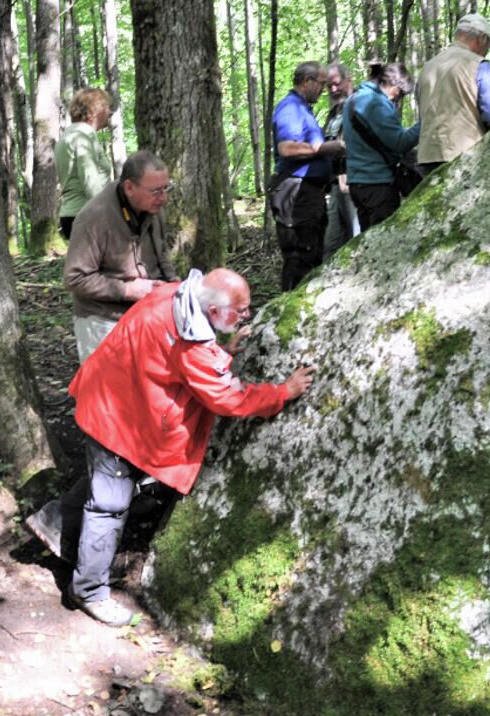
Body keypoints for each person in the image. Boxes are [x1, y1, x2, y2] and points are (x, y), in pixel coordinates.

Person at [29, 268, 317, 625]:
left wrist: (220, 352)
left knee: (108, 479)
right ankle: (88, 590)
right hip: (120, 421)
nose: (246, 317)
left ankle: (55, 523)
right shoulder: (189, 339)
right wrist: (283, 392)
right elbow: (227, 398)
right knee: (111, 503)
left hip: (108, 399)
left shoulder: (174, 295)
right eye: (240, 311)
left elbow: (178, 361)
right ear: (213, 311)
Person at [64, 150, 178, 361]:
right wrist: (127, 289)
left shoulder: (153, 207)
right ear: (129, 188)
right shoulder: (95, 217)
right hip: (101, 318)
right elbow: (75, 278)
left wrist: (172, 284)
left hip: (145, 312)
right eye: (156, 191)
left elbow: (161, 252)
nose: (164, 198)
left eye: (166, 188)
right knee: (106, 388)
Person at [271, 61, 344, 290]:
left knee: (312, 253)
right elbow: (287, 148)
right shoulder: (290, 108)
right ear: (306, 82)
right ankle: (288, 310)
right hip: (295, 194)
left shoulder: (302, 109)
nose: (323, 89)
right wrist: (325, 148)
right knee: (299, 256)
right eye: (321, 83)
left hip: (308, 193)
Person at [416, 13, 490, 177]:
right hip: (464, 155)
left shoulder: (428, 67)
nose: (486, 52)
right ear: (481, 39)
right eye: (487, 46)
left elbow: (422, 115)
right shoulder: (479, 65)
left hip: (427, 157)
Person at [342, 62, 421, 231]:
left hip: (360, 183)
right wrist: (427, 123)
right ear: (393, 84)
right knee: (384, 238)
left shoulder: (354, 99)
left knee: (369, 239)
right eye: (400, 93)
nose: (397, 99)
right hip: (377, 184)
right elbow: (400, 142)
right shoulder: (373, 102)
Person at [55, 88, 114, 241]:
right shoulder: (83, 136)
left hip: (73, 215)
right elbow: (90, 179)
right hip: (87, 217)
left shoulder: (69, 135)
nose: (110, 112)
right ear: (94, 110)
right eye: (106, 107)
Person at [322, 63, 361, 258]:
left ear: (348, 80)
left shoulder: (361, 103)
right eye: (329, 87)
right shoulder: (334, 113)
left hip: (355, 180)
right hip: (335, 182)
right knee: (332, 242)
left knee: (357, 237)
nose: (333, 90)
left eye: (336, 84)